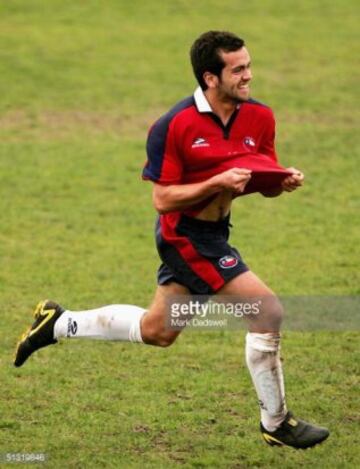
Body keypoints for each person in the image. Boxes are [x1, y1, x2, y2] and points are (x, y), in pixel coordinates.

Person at [14, 31, 329, 449]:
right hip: (184, 235)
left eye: (249, 65)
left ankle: (59, 323)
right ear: (210, 78)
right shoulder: (175, 125)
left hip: (217, 232)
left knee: (159, 330)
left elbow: (262, 179)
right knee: (267, 312)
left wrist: (281, 181)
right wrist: (216, 181)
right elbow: (162, 200)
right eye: (238, 70)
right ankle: (276, 423)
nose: (249, 75)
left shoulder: (260, 117)